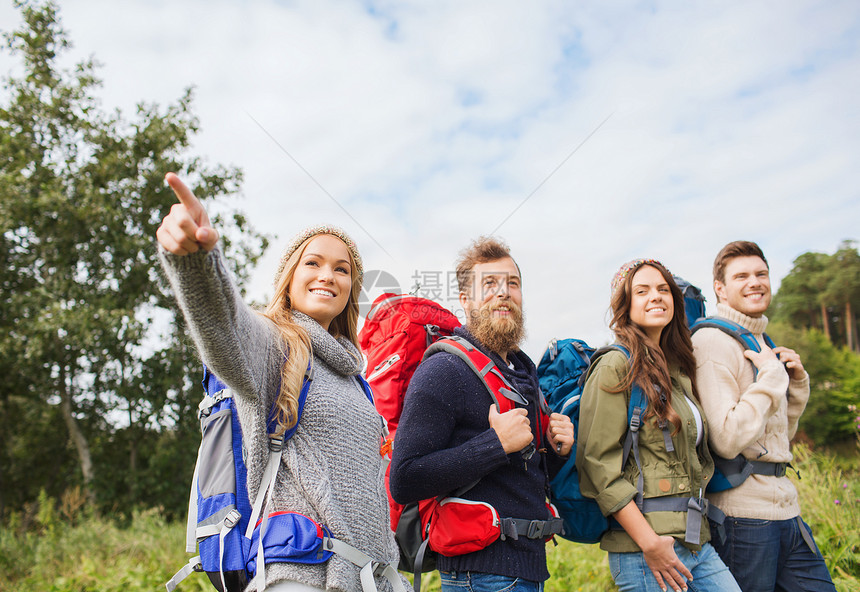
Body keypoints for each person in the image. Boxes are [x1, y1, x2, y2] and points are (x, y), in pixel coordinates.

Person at [157, 173, 409, 592]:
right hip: (302, 576)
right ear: (289, 279)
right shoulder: (275, 345)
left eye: (342, 269)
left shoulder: (355, 379)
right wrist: (197, 263)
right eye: (313, 263)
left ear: (352, 288)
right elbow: (225, 328)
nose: (328, 275)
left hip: (372, 580)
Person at [388, 236, 574, 592]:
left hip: (529, 569)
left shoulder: (522, 374)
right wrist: (495, 444)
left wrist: (557, 451)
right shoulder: (444, 370)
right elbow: (405, 479)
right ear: (465, 301)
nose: (503, 292)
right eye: (489, 284)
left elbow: (523, 479)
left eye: (513, 284)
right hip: (479, 576)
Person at [576, 259, 741, 592]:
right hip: (644, 550)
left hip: (695, 541)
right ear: (625, 305)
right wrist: (650, 543)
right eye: (642, 291)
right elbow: (597, 465)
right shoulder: (615, 365)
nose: (656, 296)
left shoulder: (677, 370)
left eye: (663, 289)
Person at [692, 241, 835, 592]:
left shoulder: (759, 340)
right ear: (720, 289)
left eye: (761, 274)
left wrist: (795, 384)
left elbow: (778, 438)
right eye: (741, 276)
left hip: (786, 509)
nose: (755, 282)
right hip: (744, 519)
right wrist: (771, 378)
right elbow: (726, 439)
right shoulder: (712, 342)